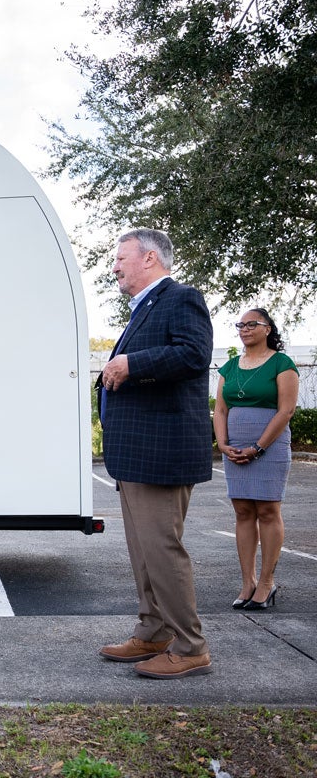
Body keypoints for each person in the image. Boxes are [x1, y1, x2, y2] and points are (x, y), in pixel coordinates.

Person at [97, 228, 214, 679]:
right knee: (143, 550)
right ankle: (153, 631)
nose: (115, 267)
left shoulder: (181, 297)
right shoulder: (144, 307)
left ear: (149, 258)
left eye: (120, 258)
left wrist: (131, 364)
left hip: (160, 452)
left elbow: (193, 354)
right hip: (136, 453)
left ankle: (190, 646)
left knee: (162, 549)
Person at [213, 308, 298, 611]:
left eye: (252, 324)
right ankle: (247, 582)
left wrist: (259, 447)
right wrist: (223, 444)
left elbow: (286, 411)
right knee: (243, 511)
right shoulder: (230, 367)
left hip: (269, 447)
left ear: (268, 329)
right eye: (241, 324)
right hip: (235, 447)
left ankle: (266, 583)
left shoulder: (282, 363)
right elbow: (221, 410)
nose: (245, 329)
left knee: (267, 510)